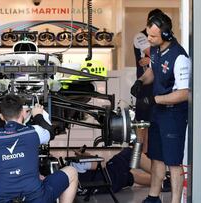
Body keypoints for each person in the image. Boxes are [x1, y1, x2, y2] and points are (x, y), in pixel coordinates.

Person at [130, 12, 190, 203]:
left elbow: (184, 93)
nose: (148, 39)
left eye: (152, 36)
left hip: (173, 116)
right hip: (157, 113)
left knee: (173, 161)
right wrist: (140, 81)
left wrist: (155, 100)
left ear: (165, 35)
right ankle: (153, 197)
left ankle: (175, 201)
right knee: (156, 157)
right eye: (148, 34)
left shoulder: (180, 57)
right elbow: (152, 71)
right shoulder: (155, 50)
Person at [0, 95, 78, 203]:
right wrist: (38, 115)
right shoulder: (33, 132)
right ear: (22, 112)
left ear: (1, 116)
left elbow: (13, 131)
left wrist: (22, 119)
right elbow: (50, 132)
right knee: (72, 171)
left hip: (5, 199)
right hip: (36, 198)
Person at [72, 147, 171, 194]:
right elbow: (100, 164)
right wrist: (86, 156)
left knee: (130, 175)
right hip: (110, 177)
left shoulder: (70, 187)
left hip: (109, 188)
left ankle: (164, 184)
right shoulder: (74, 165)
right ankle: (164, 174)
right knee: (130, 153)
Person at [132, 9, 163, 153]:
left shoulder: (160, 38)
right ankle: (140, 157)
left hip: (158, 85)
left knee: (153, 122)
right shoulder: (140, 36)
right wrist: (152, 58)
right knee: (142, 123)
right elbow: (156, 53)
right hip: (144, 85)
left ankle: (149, 155)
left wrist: (150, 60)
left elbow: (160, 56)